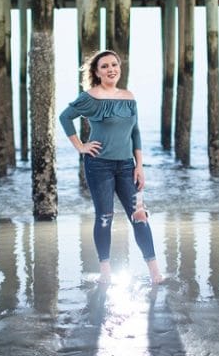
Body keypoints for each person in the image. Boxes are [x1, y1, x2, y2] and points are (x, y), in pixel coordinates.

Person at [59, 50, 164, 286]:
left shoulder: (128, 97)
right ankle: (105, 271)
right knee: (105, 217)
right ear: (96, 72)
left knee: (139, 216)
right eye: (105, 66)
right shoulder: (89, 97)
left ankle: (155, 272)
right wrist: (80, 146)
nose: (111, 69)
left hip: (127, 166)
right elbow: (65, 117)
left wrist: (140, 165)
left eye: (114, 65)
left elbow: (135, 132)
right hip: (99, 166)